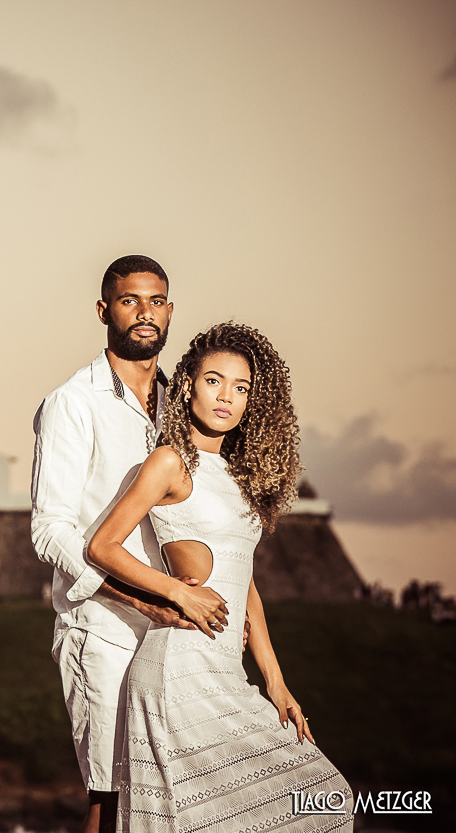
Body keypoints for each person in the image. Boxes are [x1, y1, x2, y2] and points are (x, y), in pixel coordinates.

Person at [86, 322, 352, 831]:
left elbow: (245, 587)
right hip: (177, 671)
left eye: (241, 387)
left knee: (322, 800)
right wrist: (175, 593)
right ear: (188, 385)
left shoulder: (238, 476)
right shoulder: (169, 462)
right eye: (214, 381)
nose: (227, 396)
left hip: (225, 671)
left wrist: (276, 684)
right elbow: (101, 547)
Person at [31, 255, 230, 833]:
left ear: (170, 311)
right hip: (103, 629)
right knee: (111, 800)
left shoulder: (185, 405)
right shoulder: (72, 402)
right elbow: (50, 530)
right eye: (129, 301)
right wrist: (142, 598)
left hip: (180, 630)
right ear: (104, 311)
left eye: (156, 301)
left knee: (173, 799)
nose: (145, 312)